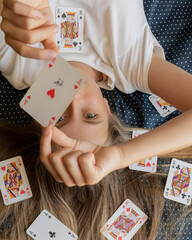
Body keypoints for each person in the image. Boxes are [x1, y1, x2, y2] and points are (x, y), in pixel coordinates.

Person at [0, 0, 192, 239]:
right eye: (90, 116)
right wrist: (121, 155)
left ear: (37, 118)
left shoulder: (15, 59)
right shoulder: (131, 64)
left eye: (59, 117)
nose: (75, 96)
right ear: (106, 107)